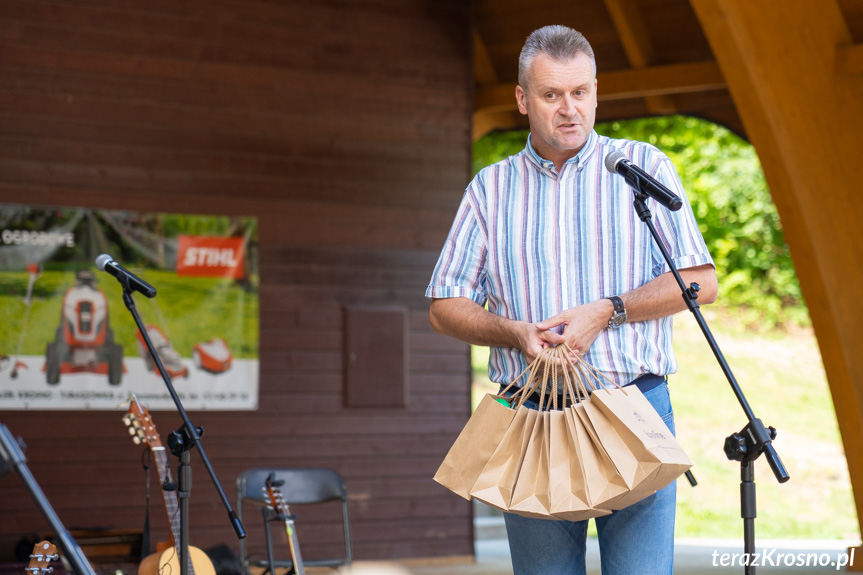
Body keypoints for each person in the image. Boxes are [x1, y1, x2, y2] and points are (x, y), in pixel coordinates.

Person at [425, 25, 718, 575]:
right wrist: (514, 332)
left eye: (580, 93)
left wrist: (608, 309)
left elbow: (702, 281)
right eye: (551, 94)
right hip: (532, 413)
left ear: (596, 93)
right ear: (521, 99)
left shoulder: (641, 169)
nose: (569, 109)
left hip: (634, 406)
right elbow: (444, 306)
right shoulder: (489, 189)